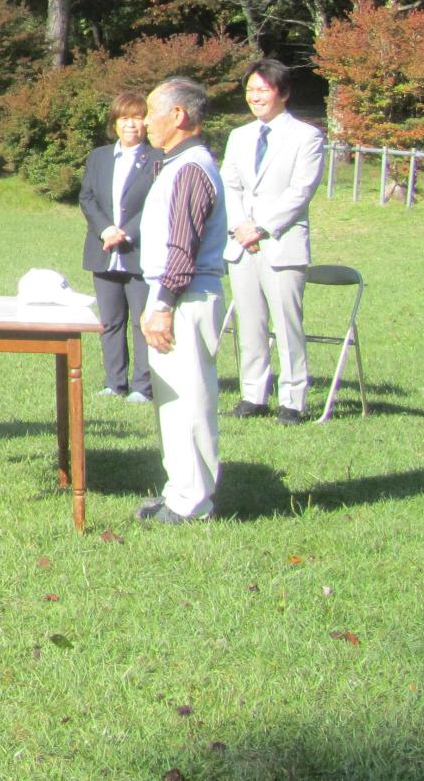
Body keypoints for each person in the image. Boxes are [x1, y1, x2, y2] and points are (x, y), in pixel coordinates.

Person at [136, 76, 231, 526]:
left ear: (179, 115)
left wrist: (163, 304)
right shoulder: (177, 164)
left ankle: (193, 502)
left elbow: (182, 247)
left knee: (190, 401)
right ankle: (180, 491)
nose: (145, 121)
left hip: (187, 298)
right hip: (176, 294)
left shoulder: (192, 168)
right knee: (172, 403)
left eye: (153, 111)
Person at [220, 59, 327, 426]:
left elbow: (301, 192)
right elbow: (229, 185)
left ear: (282, 93)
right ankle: (253, 394)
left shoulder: (306, 137)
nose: (255, 97)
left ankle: (293, 400)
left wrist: (262, 227)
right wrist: (240, 227)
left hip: (281, 242)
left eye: (262, 90)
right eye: (250, 90)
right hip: (242, 243)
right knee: (249, 322)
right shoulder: (240, 136)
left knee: (286, 323)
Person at [78, 91, 156, 403]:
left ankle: (142, 386)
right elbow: (87, 197)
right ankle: (114, 382)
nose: (131, 124)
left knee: (141, 321)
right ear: (115, 122)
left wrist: (125, 232)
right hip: (104, 251)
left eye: (137, 117)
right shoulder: (98, 157)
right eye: (125, 118)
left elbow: (157, 202)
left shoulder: (157, 158)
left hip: (138, 252)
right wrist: (105, 229)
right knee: (109, 321)